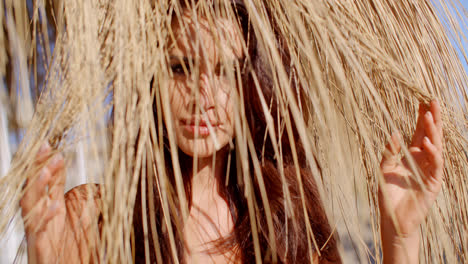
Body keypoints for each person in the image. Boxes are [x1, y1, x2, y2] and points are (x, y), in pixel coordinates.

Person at [19, 1, 444, 263]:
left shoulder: (286, 225)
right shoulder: (93, 219)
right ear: (148, 80)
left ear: (252, 84)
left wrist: (401, 238)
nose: (201, 95)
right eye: (181, 67)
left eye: (224, 71)